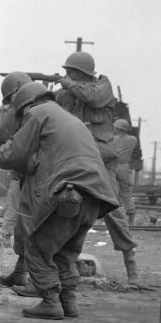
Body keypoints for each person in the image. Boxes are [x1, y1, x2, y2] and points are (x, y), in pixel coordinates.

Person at [0, 81, 119, 319]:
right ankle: (69, 301)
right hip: (95, 194)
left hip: (69, 191)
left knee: (35, 248)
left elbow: (14, 154)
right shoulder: (69, 119)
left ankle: (50, 302)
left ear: (26, 106)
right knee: (64, 253)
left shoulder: (37, 114)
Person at [55, 51, 148, 289]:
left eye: (72, 73)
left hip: (102, 159)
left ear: (84, 74)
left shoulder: (103, 86)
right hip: (77, 156)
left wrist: (68, 84)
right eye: (66, 73)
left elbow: (94, 99)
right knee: (68, 208)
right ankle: (63, 269)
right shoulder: (67, 95)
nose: (68, 76)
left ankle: (132, 270)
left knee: (114, 211)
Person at [0, 71, 35, 293]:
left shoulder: (27, 111)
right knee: (25, 226)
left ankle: (38, 281)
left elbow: (4, 134)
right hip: (30, 173)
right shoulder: (37, 109)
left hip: (33, 175)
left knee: (32, 227)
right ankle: (21, 272)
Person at [112, 118, 143, 229]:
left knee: (111, 192)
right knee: (126, 193)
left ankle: (115, 217)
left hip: (113, 167)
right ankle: (131, 221)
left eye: (115, 127)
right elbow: (136, 149)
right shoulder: (133, 139)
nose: (113, 129)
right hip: (125, 167)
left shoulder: (112, 139)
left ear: (118, 128)